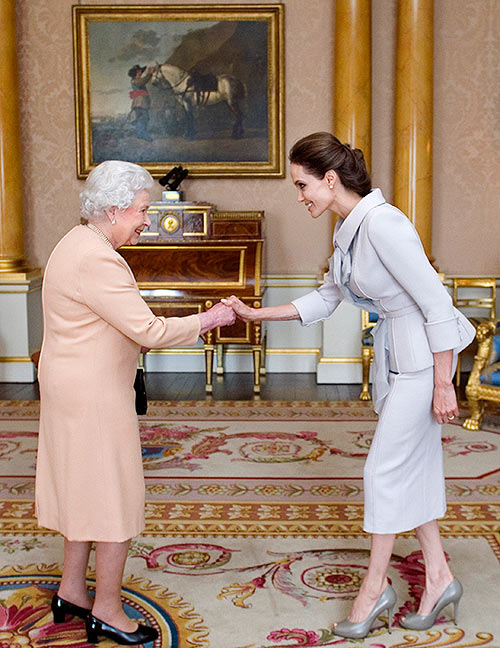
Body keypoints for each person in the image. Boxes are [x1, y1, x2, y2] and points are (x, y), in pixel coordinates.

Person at [223, 132, 475, 639]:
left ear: (330, 179)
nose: (300, 198)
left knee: (382, 472)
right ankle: (440, 577)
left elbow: (437, 303)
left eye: (302, 186)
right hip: (400, 359)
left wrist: (445, 383)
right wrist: (254, 312)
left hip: (423, 364)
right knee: (414, 469)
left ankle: (373, 589)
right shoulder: (350, 229)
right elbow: (326, 297)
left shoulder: (384, 225)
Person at [35, 160, 235, 645]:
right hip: (93, 395)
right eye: (143, 210)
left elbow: (119, 323)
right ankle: (105, 608)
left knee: (84, 487)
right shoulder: (98, 257)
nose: (148, 219)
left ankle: (71, 592)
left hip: (72, 386)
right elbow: (148, 330)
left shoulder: (75, 242)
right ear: (114, 208)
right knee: (115, 496)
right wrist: (210, 319)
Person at [128, 64, 154, 142]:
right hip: (140, 103)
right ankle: (143, 135)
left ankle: (140, 134)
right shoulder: (136, 80)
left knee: (141, 118)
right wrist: (150, 73)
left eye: (140, 71)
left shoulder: (137, 80)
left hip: (140, 103)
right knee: (144, 118)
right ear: (136, 73)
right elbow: (143, 81)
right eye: (139, 71)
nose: (140, 72)